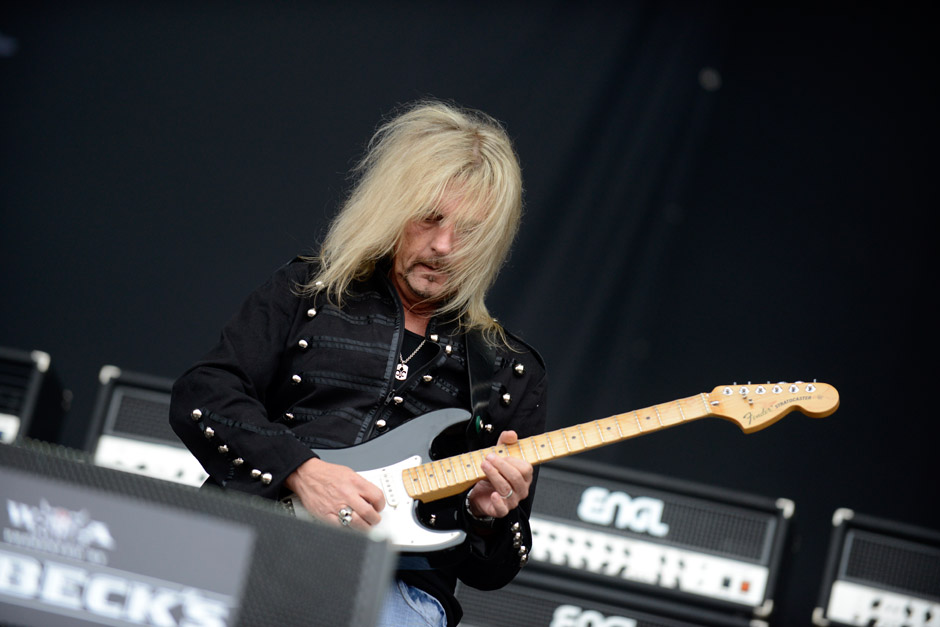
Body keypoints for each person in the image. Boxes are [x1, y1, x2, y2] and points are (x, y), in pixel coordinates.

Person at [169, 100, 547, 627]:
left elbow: (497, 569)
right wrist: (301, 470)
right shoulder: (308, 291)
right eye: (430, 217)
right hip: (255, 539)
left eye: (467, 232)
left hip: (395, 593)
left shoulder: (509, 368)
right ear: (394, 206)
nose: (442, 246)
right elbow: (204, 395)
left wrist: (491, 516)